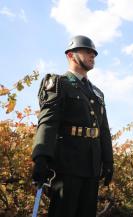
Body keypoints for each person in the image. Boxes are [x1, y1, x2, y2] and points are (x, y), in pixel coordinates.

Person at [31, 35, 113, 217]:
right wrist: (41, 156)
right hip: (67, 163)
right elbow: (49, 121)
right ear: (71, 55)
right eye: (87, 51)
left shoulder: (97, 93)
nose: (93, 55)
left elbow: (103, 130)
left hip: (92, 164)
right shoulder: (59, 83)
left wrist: (108, 160)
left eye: (94, 53)